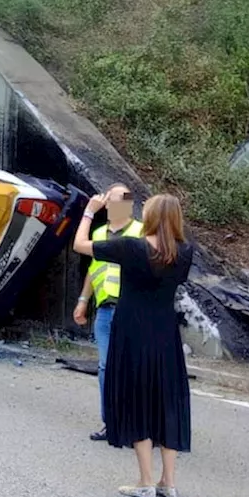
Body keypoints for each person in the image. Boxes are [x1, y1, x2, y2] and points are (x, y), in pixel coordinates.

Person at [73, 193, 194, 497]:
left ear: (150, 216)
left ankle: (145, 482)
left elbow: (80, 246)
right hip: (166, 335)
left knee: (138, 399)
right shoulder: (185, 253)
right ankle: (169, 482)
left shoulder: (131, 247)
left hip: (132, 332)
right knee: (167, 402)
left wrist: (89, 213)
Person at [72, 184, 144, 442]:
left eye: (125, 199)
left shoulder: (141, 232)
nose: (119, 204)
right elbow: (94, 269)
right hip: (105, 311)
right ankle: (111, 422)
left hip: (132, 311)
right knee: (106, 367)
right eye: (113, 199)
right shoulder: (101, 233)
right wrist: (83, 300)